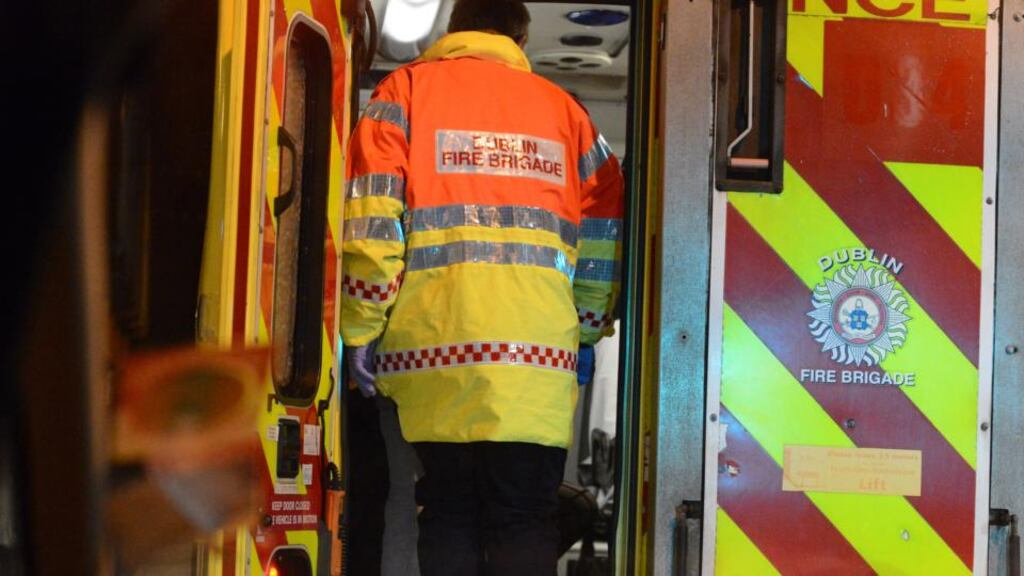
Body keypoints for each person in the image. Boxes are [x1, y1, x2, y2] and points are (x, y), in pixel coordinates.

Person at [340, 0, 624, 573]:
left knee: (448, 510)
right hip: (538, 369)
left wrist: (361, 330)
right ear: (520, 37)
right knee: (524, 514)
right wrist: (586, 331)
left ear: (453, 28)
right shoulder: (569, 117)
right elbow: (602, 236)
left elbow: (372, 224)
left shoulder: (403, 94)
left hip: (433, 360)